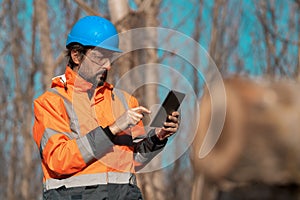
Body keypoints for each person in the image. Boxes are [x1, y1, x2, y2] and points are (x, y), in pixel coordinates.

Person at [33, 15, 180, 200]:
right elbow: (58, 160)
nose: (108, 65)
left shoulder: (124, 102)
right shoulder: (51, 102)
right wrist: (113, 129)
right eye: (100, 57)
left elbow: (134, 161)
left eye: (110, 58)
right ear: (76, 55)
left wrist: (158, 137)